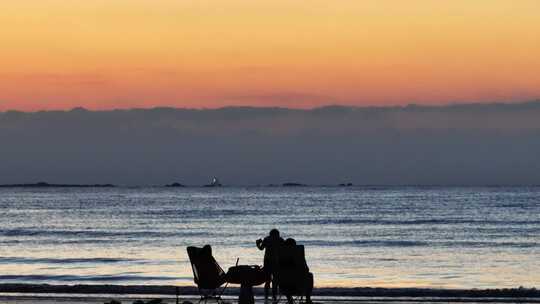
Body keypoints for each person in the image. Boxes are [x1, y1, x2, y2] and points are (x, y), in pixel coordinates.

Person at [256, 229, 284, 303]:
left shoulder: (267, 239)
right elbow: (285, 250)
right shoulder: (280, 240)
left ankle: (266, 296)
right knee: (275, 281)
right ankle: (274, 297)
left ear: (270, 234)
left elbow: (261, 248)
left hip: (267, 261)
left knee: (267, 280)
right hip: (276, 262)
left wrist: (257, 244)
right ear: (277, 234)